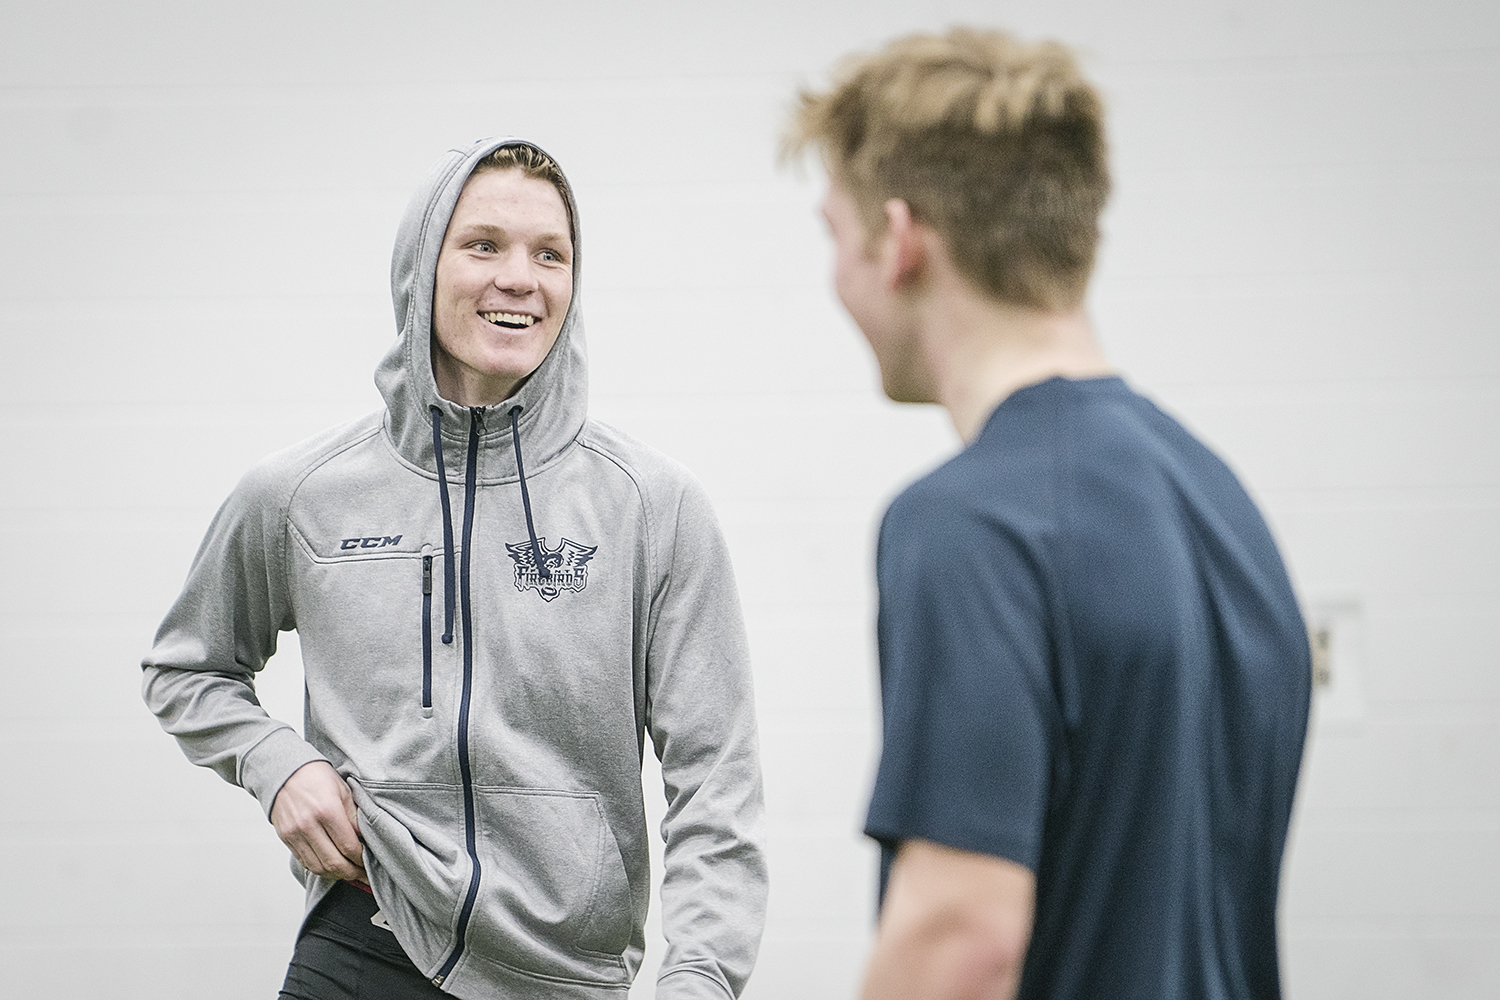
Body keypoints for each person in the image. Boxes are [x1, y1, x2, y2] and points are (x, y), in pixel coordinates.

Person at [142, 138, 767, 1000]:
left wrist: (700, 978)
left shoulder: (652, 505)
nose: (521, 277)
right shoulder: (302, 493)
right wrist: (274, 760)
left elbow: (717, 780)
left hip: (564, 975)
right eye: (483, 245)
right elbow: (188, 668)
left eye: (551, 254)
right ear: (418, 271)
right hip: (364, 942)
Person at [785, 29, 1311, 1000]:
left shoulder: (971, 524)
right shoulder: (1222, 499)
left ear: (898, 240)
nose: (835, 276)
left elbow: (963, 940)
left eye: (833, 233)